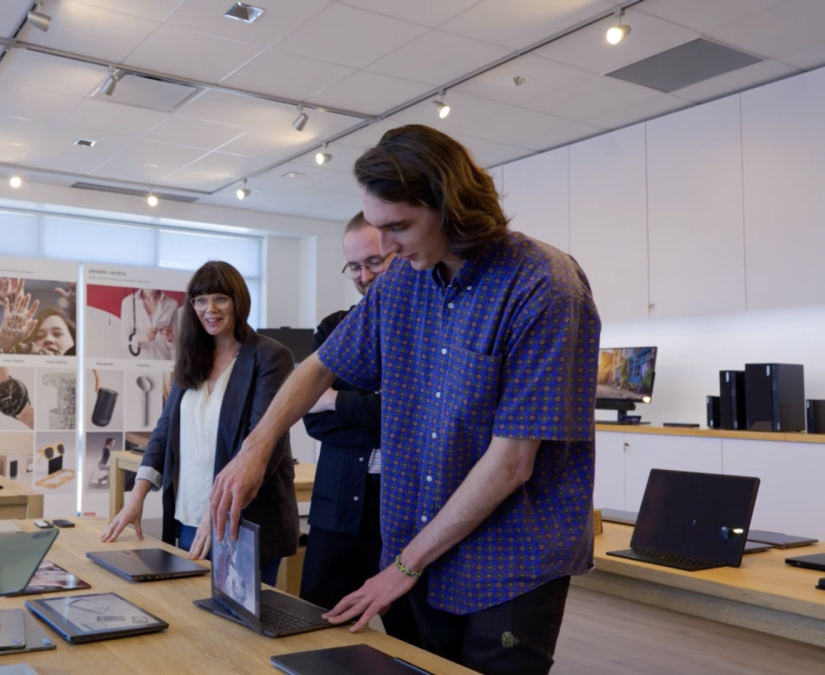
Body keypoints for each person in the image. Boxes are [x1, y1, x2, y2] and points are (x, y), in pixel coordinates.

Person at [210, 125, 600, 675]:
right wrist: (256, 445)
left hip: (509, 556)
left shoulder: (543, 285)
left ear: (452, 207)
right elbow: (321, 365)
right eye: (377, 228)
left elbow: (512, 461)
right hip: (420, 537)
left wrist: (404, 567)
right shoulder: (404, 283)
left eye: (399, 228)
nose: (385, 249)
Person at [102, 261, 298, 586]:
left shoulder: (269, 357)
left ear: (238, 301)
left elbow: (262, 440)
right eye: (200, 300)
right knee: (191, 616)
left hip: (242, 517)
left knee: (239, 630)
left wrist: (217, 511)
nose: (210, 309)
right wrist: (135, 498)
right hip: (189, 514)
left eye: (220, 298)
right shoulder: (191, 358)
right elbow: (164, 434)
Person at [299, 212, 420, 647]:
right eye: (355, 266)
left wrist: (340, 401)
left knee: (414, 640)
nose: (365, 275)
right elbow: (314, 419)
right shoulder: (335, 329)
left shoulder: (427, 333)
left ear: (401, 253)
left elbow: (424, 421)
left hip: (406, 514)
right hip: (338, 509)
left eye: (376, 261)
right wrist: (383, 414)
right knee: (315, 626)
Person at [120, 288, 178, 359]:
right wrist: (140, 338)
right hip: (137, 365)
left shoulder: (171, 304)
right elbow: (124, 341)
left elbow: (175, 343)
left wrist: (170, 338)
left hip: (163, 363)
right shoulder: (128, 302)